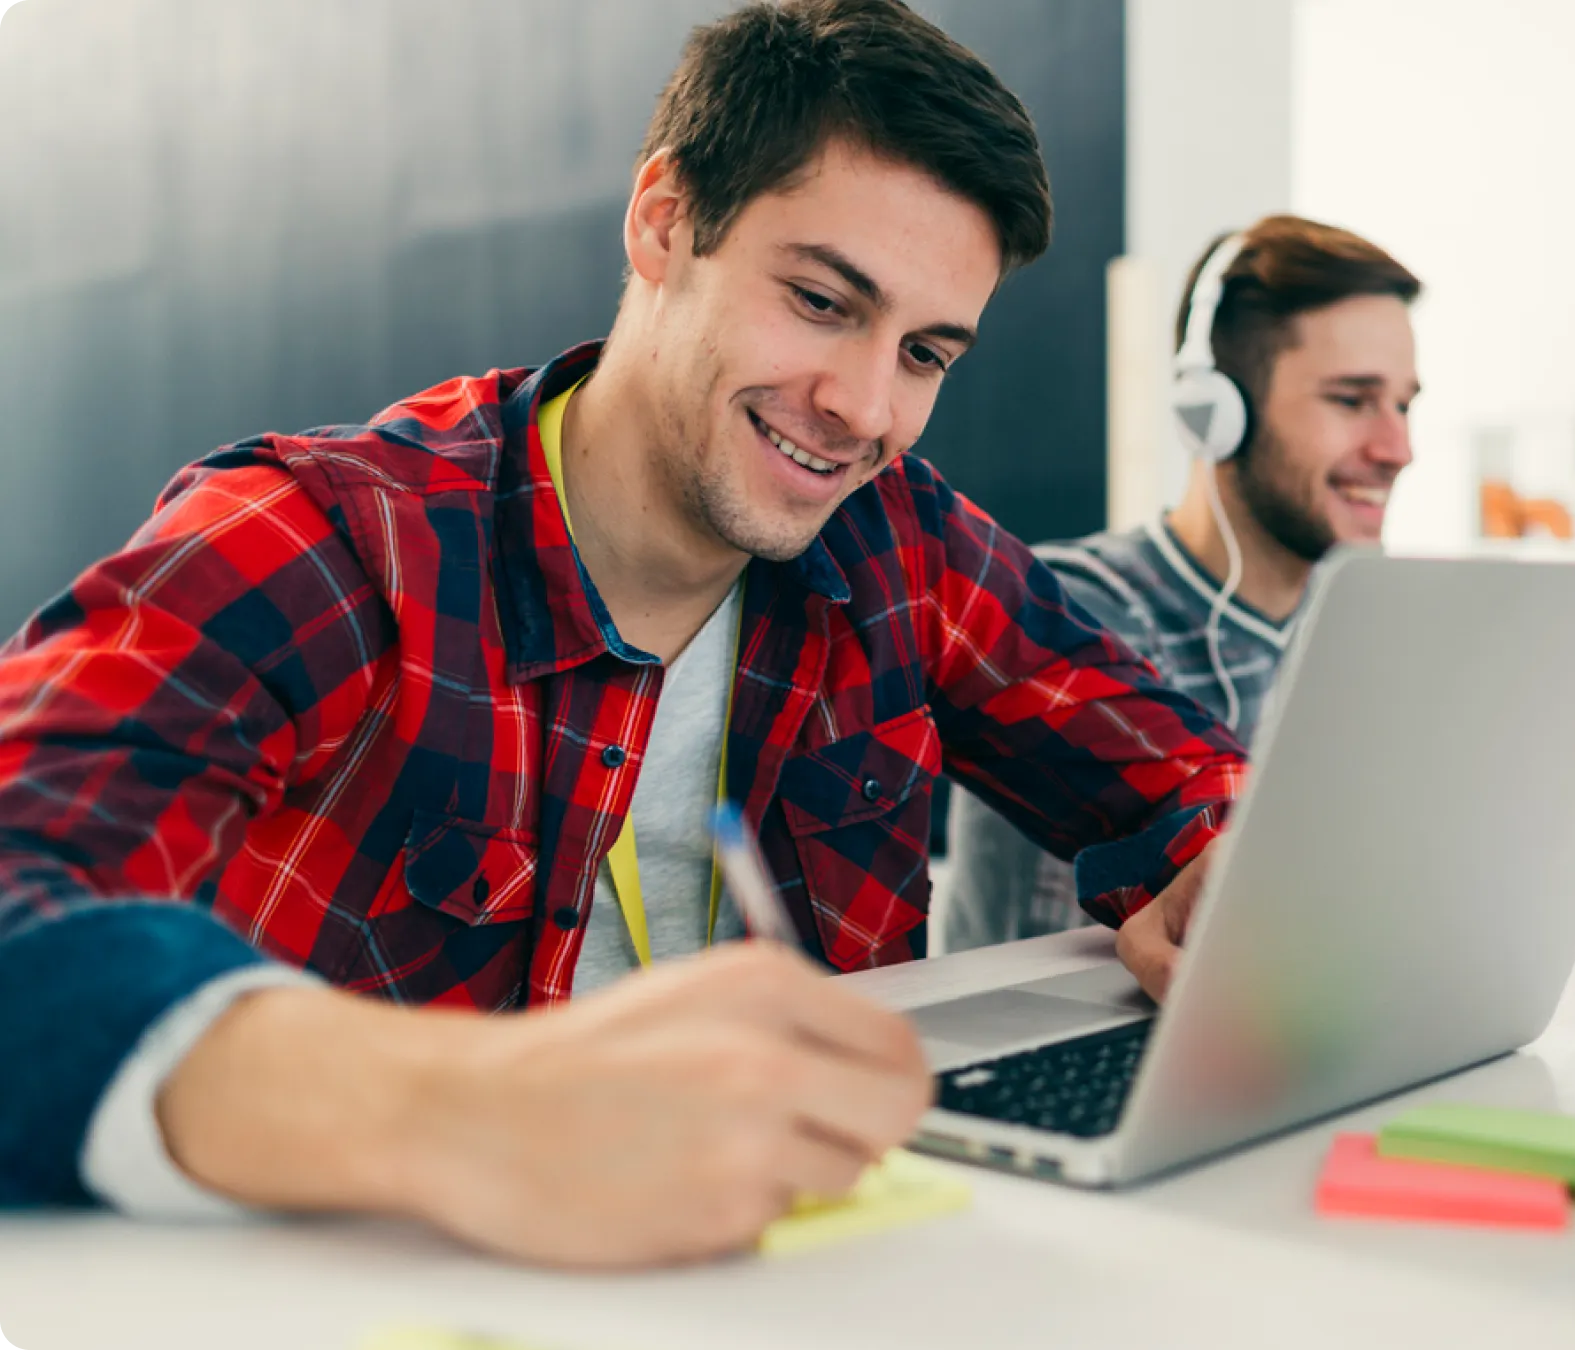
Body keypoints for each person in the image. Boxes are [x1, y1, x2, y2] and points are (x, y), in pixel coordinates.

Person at [0, 0, 1245, 1268]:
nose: (864, 409)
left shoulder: (903, 547)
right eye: (820, 300)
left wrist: (1220, 879)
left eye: (924, 352)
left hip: (809, 1271)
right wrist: (455, 1107)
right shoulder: (320, 540)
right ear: (663, 223)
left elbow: (1201, 791)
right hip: (380, 1287)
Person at [940, 216, 1421, 952]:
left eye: (1404, 404)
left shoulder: (1361, 636)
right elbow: (1050, 968)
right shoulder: (1081, 613)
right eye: (1353, 400)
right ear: (1214, 413)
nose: (1398, 449)